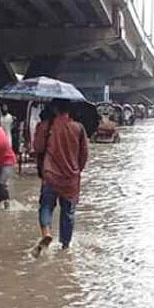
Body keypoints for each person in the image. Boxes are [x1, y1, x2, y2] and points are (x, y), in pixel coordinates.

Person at [32, 99, 89, 256]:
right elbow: (84, 155)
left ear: (55, 109)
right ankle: (65, 247)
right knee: (68, 213)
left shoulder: (47, 125)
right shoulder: (79, 128)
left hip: (50, 176)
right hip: (70, 179)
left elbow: (38, 148)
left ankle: (46, 233)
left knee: (46, 207)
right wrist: (77, 170)